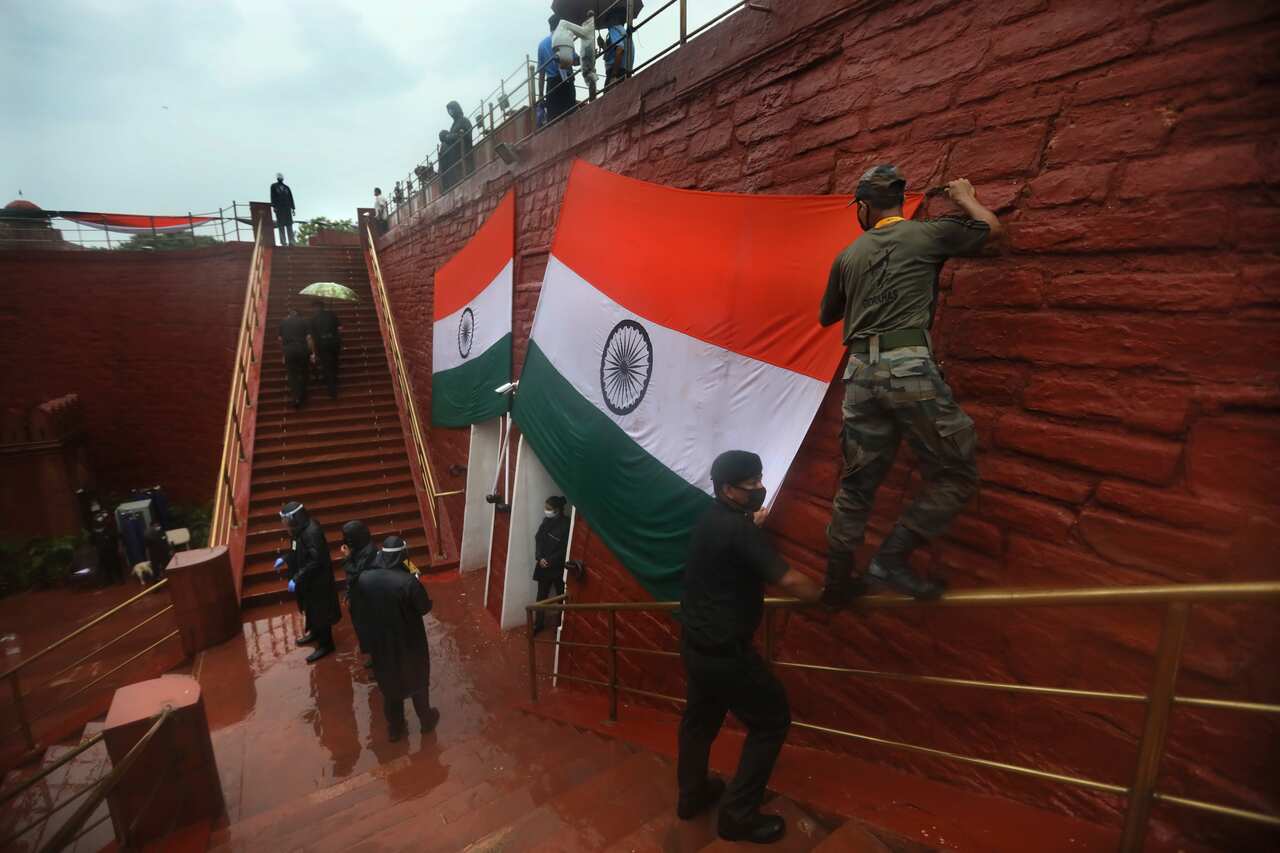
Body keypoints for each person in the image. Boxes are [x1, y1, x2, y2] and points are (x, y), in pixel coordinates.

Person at [818, 166, 1004, 605]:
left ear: (863, 207)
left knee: (856, 483)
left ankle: (837, 581)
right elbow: (990, 231)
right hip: (909, 370)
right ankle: (891, 558)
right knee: (956, 472)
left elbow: (828, 316)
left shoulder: (847, 256)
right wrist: (964, 196)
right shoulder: (928, 235)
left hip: (861, 374)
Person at [677, 450, 822, 844]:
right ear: (728, 490)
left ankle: (691, 796)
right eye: (752, 485)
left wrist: (749, 524)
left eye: (760, 479)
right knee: (771, 722)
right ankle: (738, 817)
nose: (760, 488)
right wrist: (827, 596)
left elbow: (734, 540)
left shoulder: (712, 520)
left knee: (699, 723)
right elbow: (790, 581)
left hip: (695, 647)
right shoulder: (739, 532)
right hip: (728, 656)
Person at [358, 535, 440, 741]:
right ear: (403, 556)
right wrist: (415, 581)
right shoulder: (408, 583)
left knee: (389, 683)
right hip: (409, 641)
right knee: (418, 682)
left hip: (381, 643)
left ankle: (395, 728)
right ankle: (426, 720)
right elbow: (423, 607)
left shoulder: (365, 578)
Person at [277, 501, 341, 663]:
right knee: (310, 608)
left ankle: (326, 644)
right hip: (307, 580)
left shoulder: (312, 531)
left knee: (321, 612)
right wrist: (285, 558)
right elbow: (294, 549)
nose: (284, 524)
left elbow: (316, 560)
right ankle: (314, 632)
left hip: (318, 581)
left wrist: (297, 577)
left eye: (286, 519)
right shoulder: (298, 530)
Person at [341, 520, 378, 668]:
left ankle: (378, 659)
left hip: (367, 600)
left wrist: (347, 558)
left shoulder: (369, 552)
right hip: (358, 599)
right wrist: (349, 594)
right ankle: (373, 655)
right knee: (362, 629)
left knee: (370, 630)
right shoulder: (358, 548)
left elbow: (357, 575)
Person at [532, 496, 570, 634]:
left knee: (561, 597)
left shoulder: (567, 525)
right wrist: (539, 557)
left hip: (557, 567)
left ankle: (559, 625)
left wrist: (549, 560)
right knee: (541, 596)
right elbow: (538, 538)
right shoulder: (546, 521)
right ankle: (538, 624)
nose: (546, 511)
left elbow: (564, 549)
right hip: (543, 565)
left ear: (558, 510)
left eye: (549, 509)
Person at [538, 15, 577, 125]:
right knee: (570, 117)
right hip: (567, 82)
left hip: (552, 85)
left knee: (554, 120)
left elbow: (541, 73)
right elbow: (574, 61)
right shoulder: (566, 40)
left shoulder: (542, 45)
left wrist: (541, 95)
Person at [555, 14, 598, 100]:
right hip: (572, 76)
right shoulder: (565, 37)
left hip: (555, 82)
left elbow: (572, 61)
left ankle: (592, 98)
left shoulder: (562, 35)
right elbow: (574, 61)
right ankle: (593, 98)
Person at [278, 307, 312, 409]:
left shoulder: (283, 322)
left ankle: (296, 397)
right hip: (302, 349)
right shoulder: (304, 321)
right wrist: (312, 353)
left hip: (289, 350)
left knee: (292, 375)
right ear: (298, 314)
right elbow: (309, 338)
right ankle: (302, 394)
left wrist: (283, 353)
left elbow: (280, 339)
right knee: (304, 372)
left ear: (289, 314)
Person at [310, 300, 342, 398]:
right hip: (334, 343)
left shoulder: (313, 319)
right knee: (334, 362)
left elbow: (312, 336)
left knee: (327, 366)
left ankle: (332, 389)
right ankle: (334, 379)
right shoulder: (332, 314)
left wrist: (314, 350)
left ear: (316, 308)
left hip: (322, 344)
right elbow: (340, 328)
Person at [440, 101, 474, 190]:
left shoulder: (464, 121)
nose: (450, 112)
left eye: (451, 110)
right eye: (449, 111)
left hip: (463, 150)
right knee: (443, 147)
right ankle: (444, 178)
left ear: (456, 109)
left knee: (445, 145)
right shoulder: (453, 125)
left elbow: (465, 135)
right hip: (453, 155)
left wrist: (448, 137)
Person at [602, 22, 633, 90]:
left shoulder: (613, 28)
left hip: (616, 72)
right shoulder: (623, 32)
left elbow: (619, 49)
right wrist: (603, 46)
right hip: (625, 72)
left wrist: (614, 75)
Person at [270, 172, 296, 246]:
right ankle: (283, 242)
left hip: (287, 208)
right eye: (279, 177)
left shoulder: (287, 187)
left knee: (289, 224)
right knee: (281, 225)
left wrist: (293, 208)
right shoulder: (274, 186)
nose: (280, 178)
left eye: (281, 177)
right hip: (279, 208)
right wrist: (274, 206)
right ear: (277, 178)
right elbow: (273, 197)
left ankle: (291, 241)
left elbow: (291, 197)